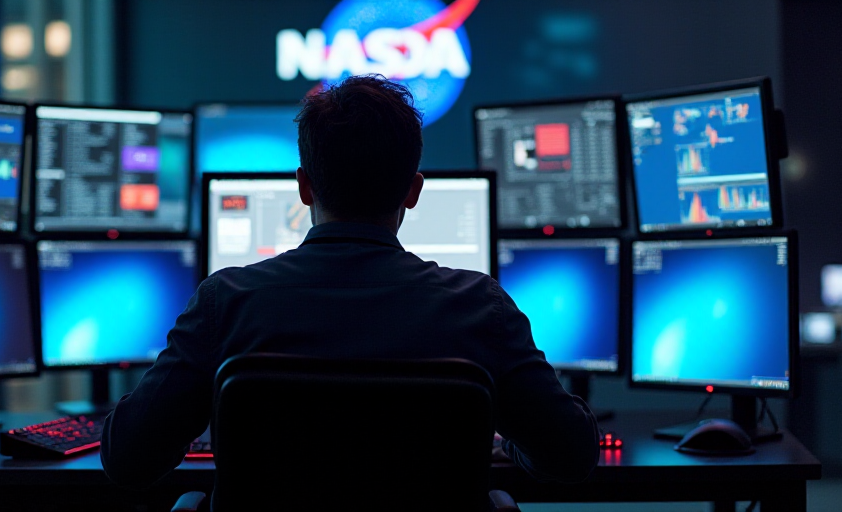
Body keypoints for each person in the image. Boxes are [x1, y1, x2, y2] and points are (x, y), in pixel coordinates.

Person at [100, 75, 600, 487]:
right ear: (413, 191)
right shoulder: (479, 307)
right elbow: (571, 457)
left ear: (303, 186)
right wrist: (496, 430)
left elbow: (128, 458)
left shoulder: (224, 302)